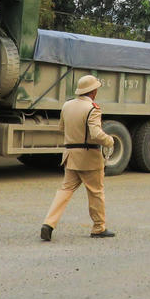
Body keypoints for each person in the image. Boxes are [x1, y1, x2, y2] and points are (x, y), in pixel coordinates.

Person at [40, 75, 116, 242]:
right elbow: (96, 134)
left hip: (70, 156)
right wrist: (109, 140)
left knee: (65, 191)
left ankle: (48, 223)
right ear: (93, 91)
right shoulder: (93, 108)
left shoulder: (67, 105)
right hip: (89, 157)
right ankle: (98, 227)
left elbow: (61, 128)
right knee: (95, 192)